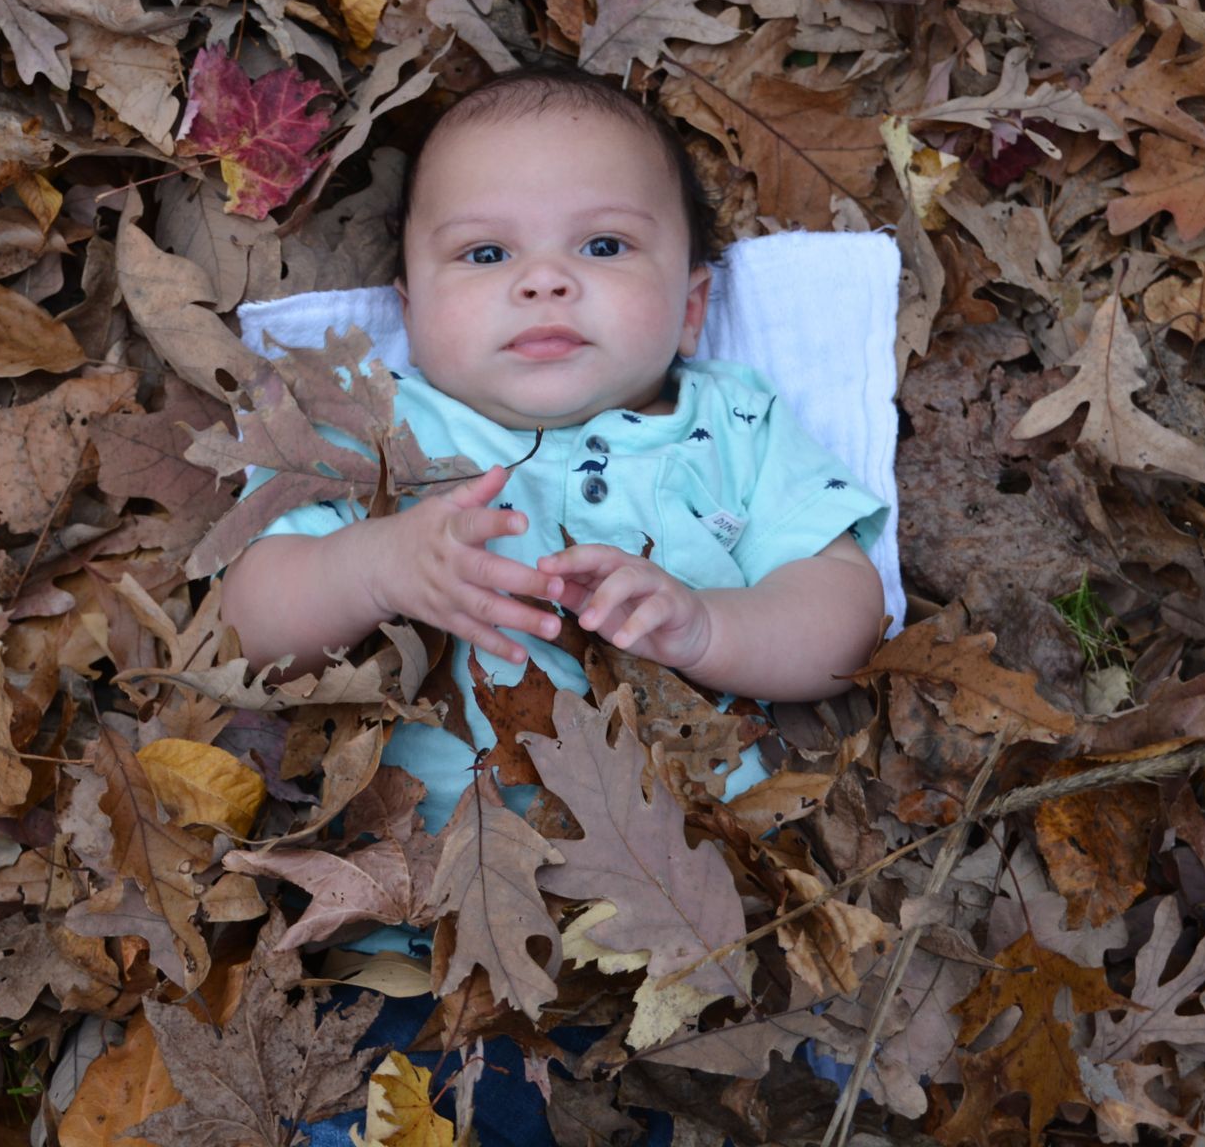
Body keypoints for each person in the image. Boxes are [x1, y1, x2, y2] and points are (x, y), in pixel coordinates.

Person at [217, 65, 891, 1143]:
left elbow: (842, 613)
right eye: (486, 255)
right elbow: (250, 619)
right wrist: (380, 565)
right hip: (425, 937)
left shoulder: (736, 424)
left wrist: (709, 625)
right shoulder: (368, 428)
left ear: (694, 304)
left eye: (604, 246)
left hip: (698, 929)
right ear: (408, 306)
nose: (545, 282)